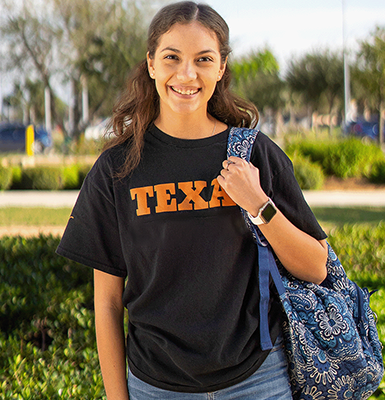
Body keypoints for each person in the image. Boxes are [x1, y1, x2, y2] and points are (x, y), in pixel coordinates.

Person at [56, 2, 328, 399]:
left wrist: (259, 205)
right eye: (172, 58)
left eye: (203, 59)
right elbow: (109, 303)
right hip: (156, 386)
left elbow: (316, 267)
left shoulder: (255, 154)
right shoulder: (117, 169)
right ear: (151, 64)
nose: (187, 74)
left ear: (221, 68)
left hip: (259, 380)